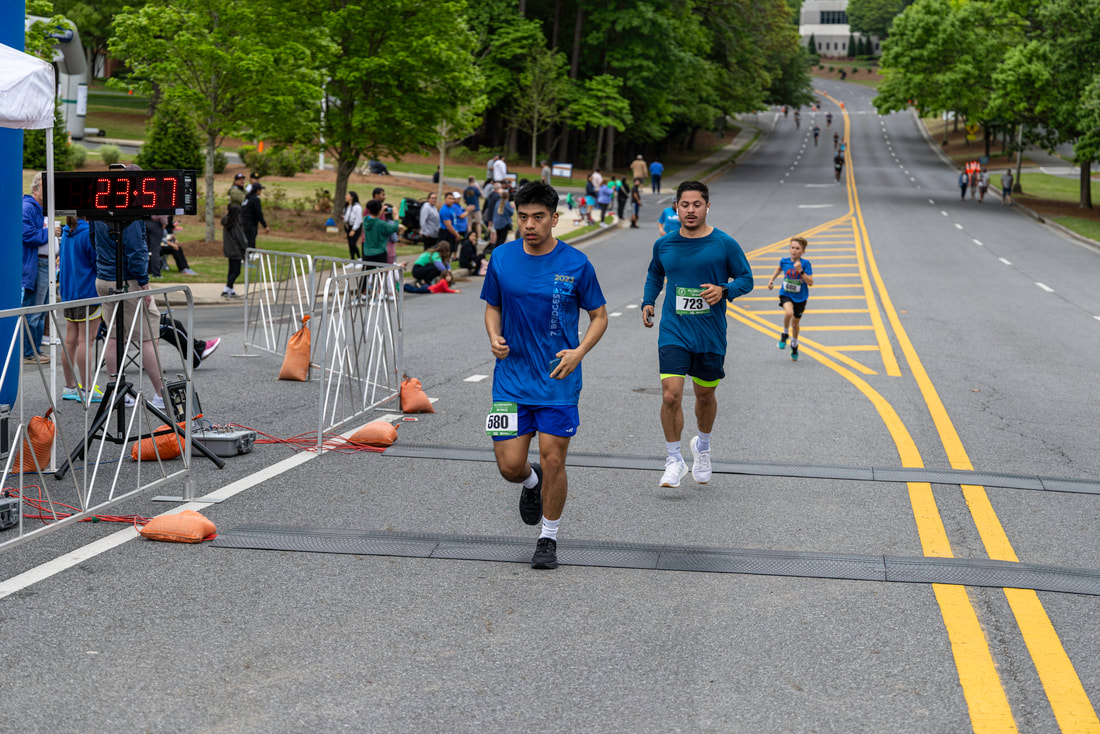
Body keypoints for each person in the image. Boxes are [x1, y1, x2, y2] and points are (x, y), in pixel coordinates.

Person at [481, 181, 608, 570]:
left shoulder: (576, 264)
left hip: (558, 380)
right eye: (523, 217)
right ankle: (530, 482)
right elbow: (492, 307)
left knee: (554, 459)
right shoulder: (502, 258)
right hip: (510, 379)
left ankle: (548, 538)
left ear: (554, 218)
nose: (529, 225)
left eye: (538, 217)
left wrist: (580, 351)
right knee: (509, 466)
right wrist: (494, 336)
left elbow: (599, 316)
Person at [640, 180, 753, 488]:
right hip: (674, 331)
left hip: (709, 334)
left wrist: (724, 289)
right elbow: (655, 273)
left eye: (697, 204)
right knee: (671, 394)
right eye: (685, 205)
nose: (690, 210)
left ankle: (702, 447)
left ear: (707, 206)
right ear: (676, 208)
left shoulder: (724, 243)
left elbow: (746, 279)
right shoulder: (664, 244)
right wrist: (648, 301)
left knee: (705, 395)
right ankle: (673, 459)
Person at [91, 204, 166, 408]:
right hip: (128, 280)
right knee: (148, 337)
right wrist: (144, 284)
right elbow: (135, 250)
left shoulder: (98, 208)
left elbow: (93, 240)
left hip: (104, 277)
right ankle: (161, 394)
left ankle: (116, 392)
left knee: (114, 336)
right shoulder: (130, 213)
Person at [58, 216, 104, 403]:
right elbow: (97, 262)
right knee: (86, 340)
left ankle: (69, 386)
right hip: (87, 292)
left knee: (70, 341)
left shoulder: (66, 232)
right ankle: (87, 389)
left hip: (69, 292)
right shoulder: (87, 234)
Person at [22, 172, 56, 364]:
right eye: (46, 187)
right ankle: (29, 353)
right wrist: (49, 232)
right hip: (37, 265)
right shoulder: (28, 207)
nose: (50, 191)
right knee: (34, 312)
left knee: (41, 312)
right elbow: (27, 235)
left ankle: (34, 350)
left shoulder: (38, 208)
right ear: (35, 189)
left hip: (44, 265)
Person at [767, 236, 814, 362]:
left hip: (801, 297)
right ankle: (785, 333)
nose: (794, 250)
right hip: (786, 294)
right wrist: (771, 280)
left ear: (803, 251)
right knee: (788, 313)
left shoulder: (805, 264)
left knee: (795, 323)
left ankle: (794, 344)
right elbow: (779, 268)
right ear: (789, 249)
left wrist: (800, 271)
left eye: (797, 248)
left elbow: (810, 282)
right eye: (792, 247)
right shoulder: (784, 261)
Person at [221, 192, 247, 299]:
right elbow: (241, 239)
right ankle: (227, 288)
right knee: (236, 271)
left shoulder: (227, 223)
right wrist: (245, 247)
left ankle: (230, 290)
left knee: (231, 270)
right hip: (236, 250)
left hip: (229, 250)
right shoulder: (235, 224)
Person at [240, 183, 268, 251]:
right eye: (260, 190)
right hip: (250, 223)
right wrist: (265, 225)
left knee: (244, 240)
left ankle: (244, 254)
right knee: (250, 242)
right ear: (257, 190)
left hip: (242, 221)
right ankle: (249, 255)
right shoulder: (255, 199)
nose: (261, 192)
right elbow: (259, 213)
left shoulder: (247, 198)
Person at [343, 191, 363, 259]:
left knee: (353, 243)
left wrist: (353, 230)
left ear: (352, 197)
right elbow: (346, 217)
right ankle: (352, 259)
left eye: (347, 195)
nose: (345, 196)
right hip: (348, 226)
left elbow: (358, 219)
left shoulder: (357, 207)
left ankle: (359, 258)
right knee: (350, 244)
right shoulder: (346, 206)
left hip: (356, 227)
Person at [463, 176, 483, 243]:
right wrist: (479, 188)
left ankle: (469, 237)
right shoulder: (475, 189)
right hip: (476, 208)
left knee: (469, 224)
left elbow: (464, 201)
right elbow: (482, 196)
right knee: (478, 223)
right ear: (474, 181)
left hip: (469, 208)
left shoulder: (466, 190)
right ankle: (479, 238)